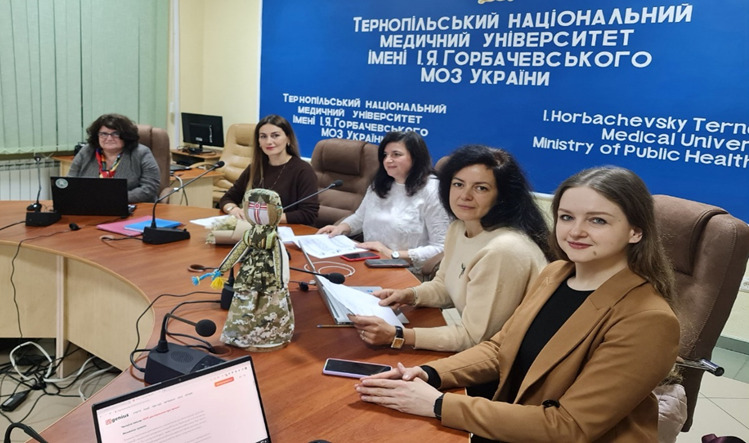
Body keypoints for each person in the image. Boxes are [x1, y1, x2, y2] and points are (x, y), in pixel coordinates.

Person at [354, 167, 680, 442]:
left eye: (598, 221)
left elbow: (570, 427)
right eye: (567, 217)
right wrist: (428, 374)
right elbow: (500, 349)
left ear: (635, 231)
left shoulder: (648, 319)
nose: (576, 231)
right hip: (511, 424)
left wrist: (439, 405)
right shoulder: (556, 273)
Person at [348, 145, 550, 353]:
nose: (465, 195)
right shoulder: (459, 228)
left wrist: (398, 335)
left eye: (481, 188)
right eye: (458, 184)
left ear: (502, 196)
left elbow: (475, 338)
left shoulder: (503, 250)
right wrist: (408, 295)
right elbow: (445, 285)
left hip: (511, 358)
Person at [316, 131, 450, 277]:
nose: (388, 160)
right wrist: (341, 228)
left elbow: (441, 248)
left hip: (408, 272)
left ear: (416, 157)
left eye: (396, 154)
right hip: (369, 262)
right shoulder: (381, 183)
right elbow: (360, 217)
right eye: (385, 155)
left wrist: (392, 254)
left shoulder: (432, 190)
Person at [219, 114, 319, 225]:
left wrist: (264, 217)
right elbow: (227, 198)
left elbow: (308, 215)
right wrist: (233, 210)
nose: (268, 141)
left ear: (288, 138)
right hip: (254, 229)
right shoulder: (255, 167)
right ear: (258, 141)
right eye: (263, 136)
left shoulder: (303, 170)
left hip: (287, 230)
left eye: (275, 135)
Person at [68, 113, 161, 203]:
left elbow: (149, 188)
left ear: (125, 136)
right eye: (103, 134)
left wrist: (113, 198)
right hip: (90, 205)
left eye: (115, 133)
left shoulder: (141, 153)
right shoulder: (86, 151)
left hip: (133, 205)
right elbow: (70, 183)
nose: (109, 138)